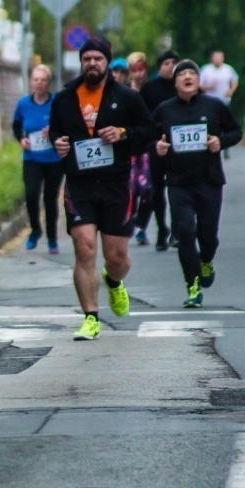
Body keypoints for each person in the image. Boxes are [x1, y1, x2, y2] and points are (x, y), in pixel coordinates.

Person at [48, 36, 155, 340]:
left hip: (116, 185)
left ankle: (114, 280)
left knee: (116, 257)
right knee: (84, 248)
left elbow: (148, 131)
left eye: (98, 58)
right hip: (79, 184)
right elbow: (55, 130)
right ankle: (90, 318)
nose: (92, 63)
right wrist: (57, 142)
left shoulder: (126, 97)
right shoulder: (65, 97)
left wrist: (122, 133)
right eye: (87, 59)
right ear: (81, 62)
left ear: (107, 62)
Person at [154, 59, 242, 307]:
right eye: (182, 74)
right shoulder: (164, 110)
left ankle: (206, 260)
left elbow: (236, 131)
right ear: (175, 82)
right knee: (185, 232)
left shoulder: (214, 106)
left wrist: (220, 142)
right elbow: (149, 137)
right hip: (178, 182)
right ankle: (192, 285)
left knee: (208, 236)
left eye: (192, 73)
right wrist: (157, 147)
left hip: (209, 181)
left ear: (198, 80)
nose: (187, 77)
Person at [12, 64, 63, 254]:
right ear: (31, 82)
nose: (39, 83)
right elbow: (16, 125)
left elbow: (67, 125)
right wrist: (21, 139)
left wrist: (54, 132)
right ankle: (35, 230)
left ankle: (52, 238)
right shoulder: (23, 103)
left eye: (43, 80)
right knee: (31, 194)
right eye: (36, 80)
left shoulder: (57, 102)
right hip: (32, 157)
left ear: (49, 82)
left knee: (50, 198)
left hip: (54, 159)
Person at [138, 50, 180, 250]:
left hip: (180, 147)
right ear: (160, 66)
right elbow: (142, 116)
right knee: (157, 189)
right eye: (166, 63)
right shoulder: (149, 88)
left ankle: (176, 231)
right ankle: (162, 228)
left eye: (174, 62)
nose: (171, 66)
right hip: (156, 145)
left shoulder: (182, 85)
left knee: (177, 188)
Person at [200, 51, 239, 159]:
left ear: (223, 58)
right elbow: (199, 85)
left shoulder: (228, 69)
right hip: (209, 103)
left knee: (226, 124)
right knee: (211, 124)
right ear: (211, 58)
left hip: (224, 101)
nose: (217, 59)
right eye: (215, 57)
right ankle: (208, 144)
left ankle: (226, 147)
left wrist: (231, 91)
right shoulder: (206, 70)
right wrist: (208, 86)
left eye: (219, 57)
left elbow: (235, 80)